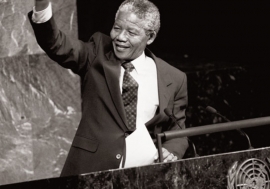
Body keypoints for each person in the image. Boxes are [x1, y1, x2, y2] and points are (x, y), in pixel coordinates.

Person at [28, 0, 188, 177]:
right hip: (92, 173)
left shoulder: (173, 78)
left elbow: (178, 129)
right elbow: (57, 44)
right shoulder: (97, 53)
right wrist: (42, 6)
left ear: (150, 37)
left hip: (144, 176)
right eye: (117, 28)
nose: (120, 37)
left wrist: (171, 150)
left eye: (131, 32)